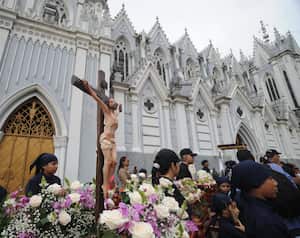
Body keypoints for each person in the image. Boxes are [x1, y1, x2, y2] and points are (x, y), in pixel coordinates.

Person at [231, 160, 291, 238]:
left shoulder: (248, 204)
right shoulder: (266, 221)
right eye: (270, 179)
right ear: (256, 183)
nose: (276, 183)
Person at [83, 80, 121, 197]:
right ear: (108, 104)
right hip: (105, 139)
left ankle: (109, 180)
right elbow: (97, 98)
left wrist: (120, 108)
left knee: (114, 162)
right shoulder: (106, 111)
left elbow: (119, 109)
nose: (113, 102)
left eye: (113, 100)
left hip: (113, 141)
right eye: (110, 101)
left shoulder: (115, 114)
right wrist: (88, 87)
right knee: (108, 161)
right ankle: (105, 185)